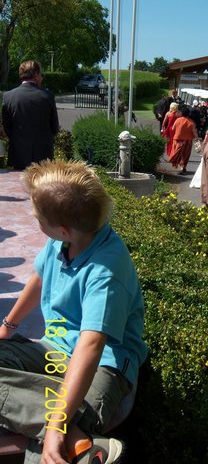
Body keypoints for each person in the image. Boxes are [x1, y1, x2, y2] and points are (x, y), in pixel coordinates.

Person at [0, 160, 148, 464]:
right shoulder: (66, 240)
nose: (34, 218)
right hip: (54, 352)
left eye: (37, 216)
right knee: (60, 426)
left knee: (48, 446)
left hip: (104, 366)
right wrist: (6, 328)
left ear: (64, 229)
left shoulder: (106, 270)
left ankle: (59, 424)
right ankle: (77, 436)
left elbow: (91, 345)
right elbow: (39, 278)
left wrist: (55, 426)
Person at [2, 60, 59, 170]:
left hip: (18, 154)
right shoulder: (47, 96)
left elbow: (7, 128)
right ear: (36, 75)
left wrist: (19, 138)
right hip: (43, 157)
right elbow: (55, 127)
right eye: (41, 74)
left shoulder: (8, 96)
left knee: (17, 186)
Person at [169, 106, 198, 175]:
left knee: (178, 154)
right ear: (188, 114)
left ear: (182, 113)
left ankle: (181, 166)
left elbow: (173, 129)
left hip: (178, 140)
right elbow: (194, 132)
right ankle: (183, 166)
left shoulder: (178, 120)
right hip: (188, 141)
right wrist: (197, 138)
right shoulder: (191, 122)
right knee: (185, 155)